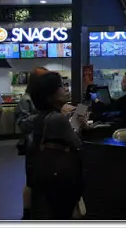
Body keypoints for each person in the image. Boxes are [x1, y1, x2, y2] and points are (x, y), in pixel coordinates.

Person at [28, 71, 86, 220]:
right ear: (50, 95)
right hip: (61, 181)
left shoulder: (41, 117)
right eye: (60, 86)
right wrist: (80, 126)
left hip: (45, 178)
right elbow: (77, 145)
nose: (66, 88)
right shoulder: (58, 119)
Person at [15, 67, 48, 219]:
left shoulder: (45, 99)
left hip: (43, 146)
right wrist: (42, 115)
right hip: (33, 146)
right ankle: (27, 214)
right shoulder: (26, 100)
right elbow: (22, 125)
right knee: (31, 181)